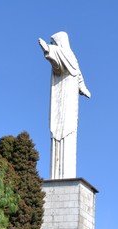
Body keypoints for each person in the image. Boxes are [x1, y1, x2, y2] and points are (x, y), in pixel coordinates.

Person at [38, 32, 91, 179]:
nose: (55, 45)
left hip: (70, 102)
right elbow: (56, 64)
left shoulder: (71, 56)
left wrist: (83, 88)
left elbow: (78, 74)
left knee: (69, 131)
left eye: (54, 43)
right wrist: (47, 50)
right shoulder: (60, 54)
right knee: (58, 134)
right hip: (59, 99)